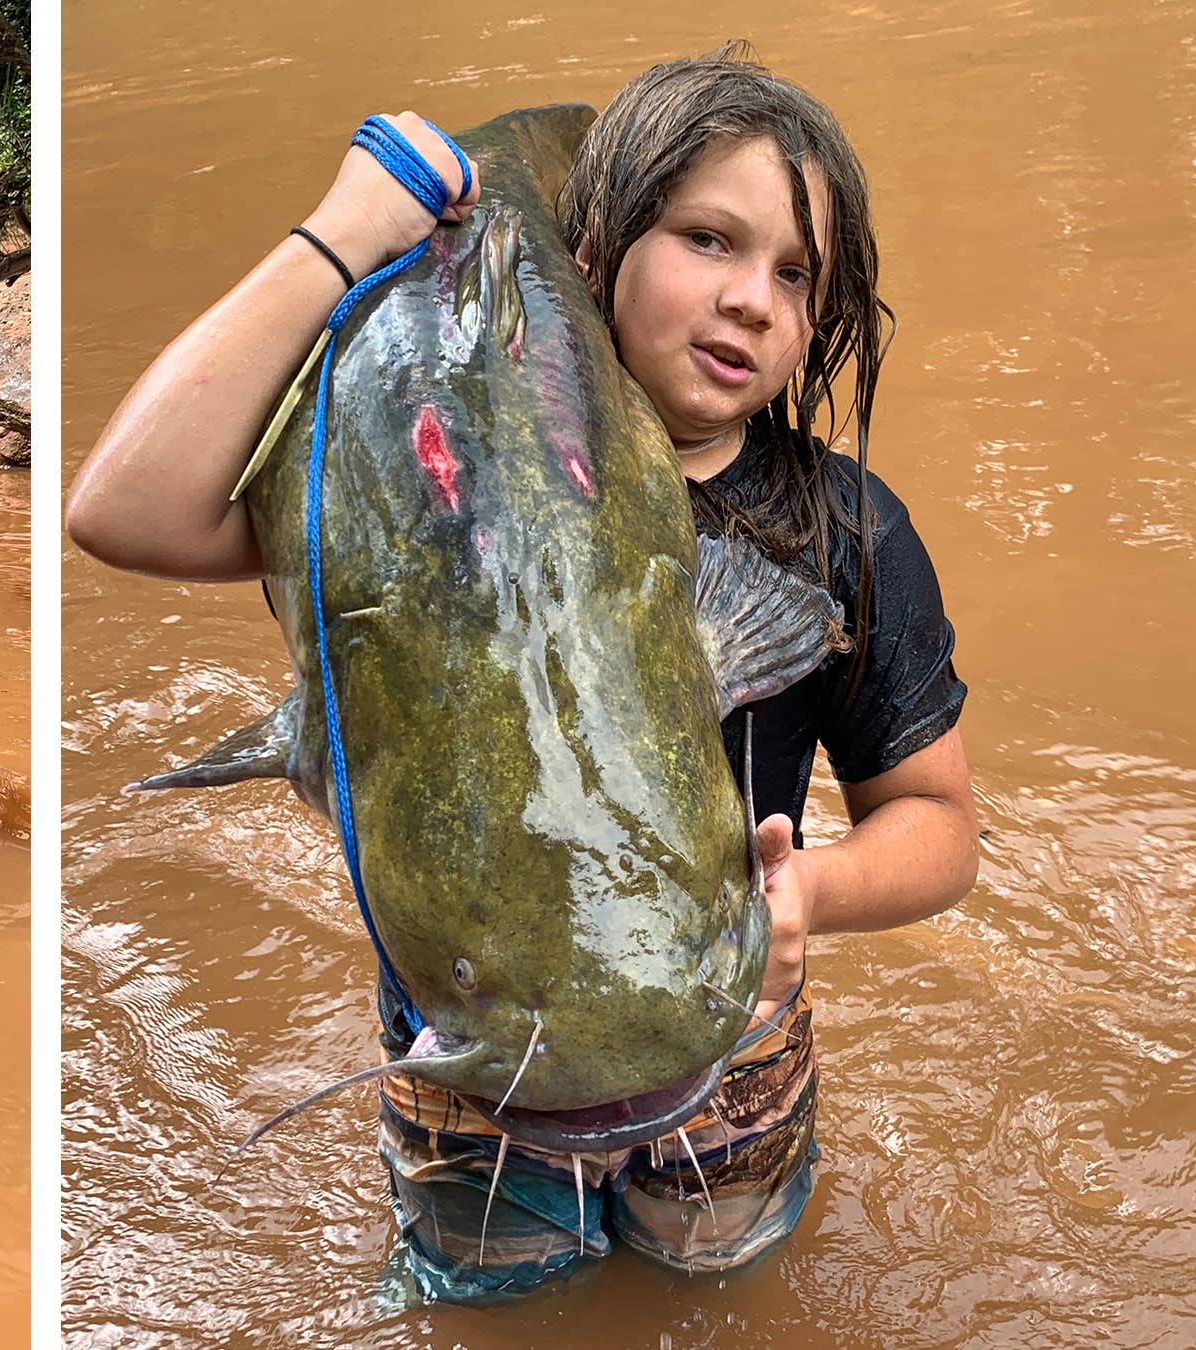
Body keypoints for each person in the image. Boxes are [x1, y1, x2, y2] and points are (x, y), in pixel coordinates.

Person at [65, 46, 978, 1298]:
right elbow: (119, 508)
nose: (753, 299)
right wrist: (341, 238)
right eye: (709, 239)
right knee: (491, 1304)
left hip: (731, 1023)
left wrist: (808, 896)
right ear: (594, 244)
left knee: (732, 1290)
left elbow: (940, 827)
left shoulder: (846, 532)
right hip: (469, 1052)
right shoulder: (423, 492)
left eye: (796, 275)